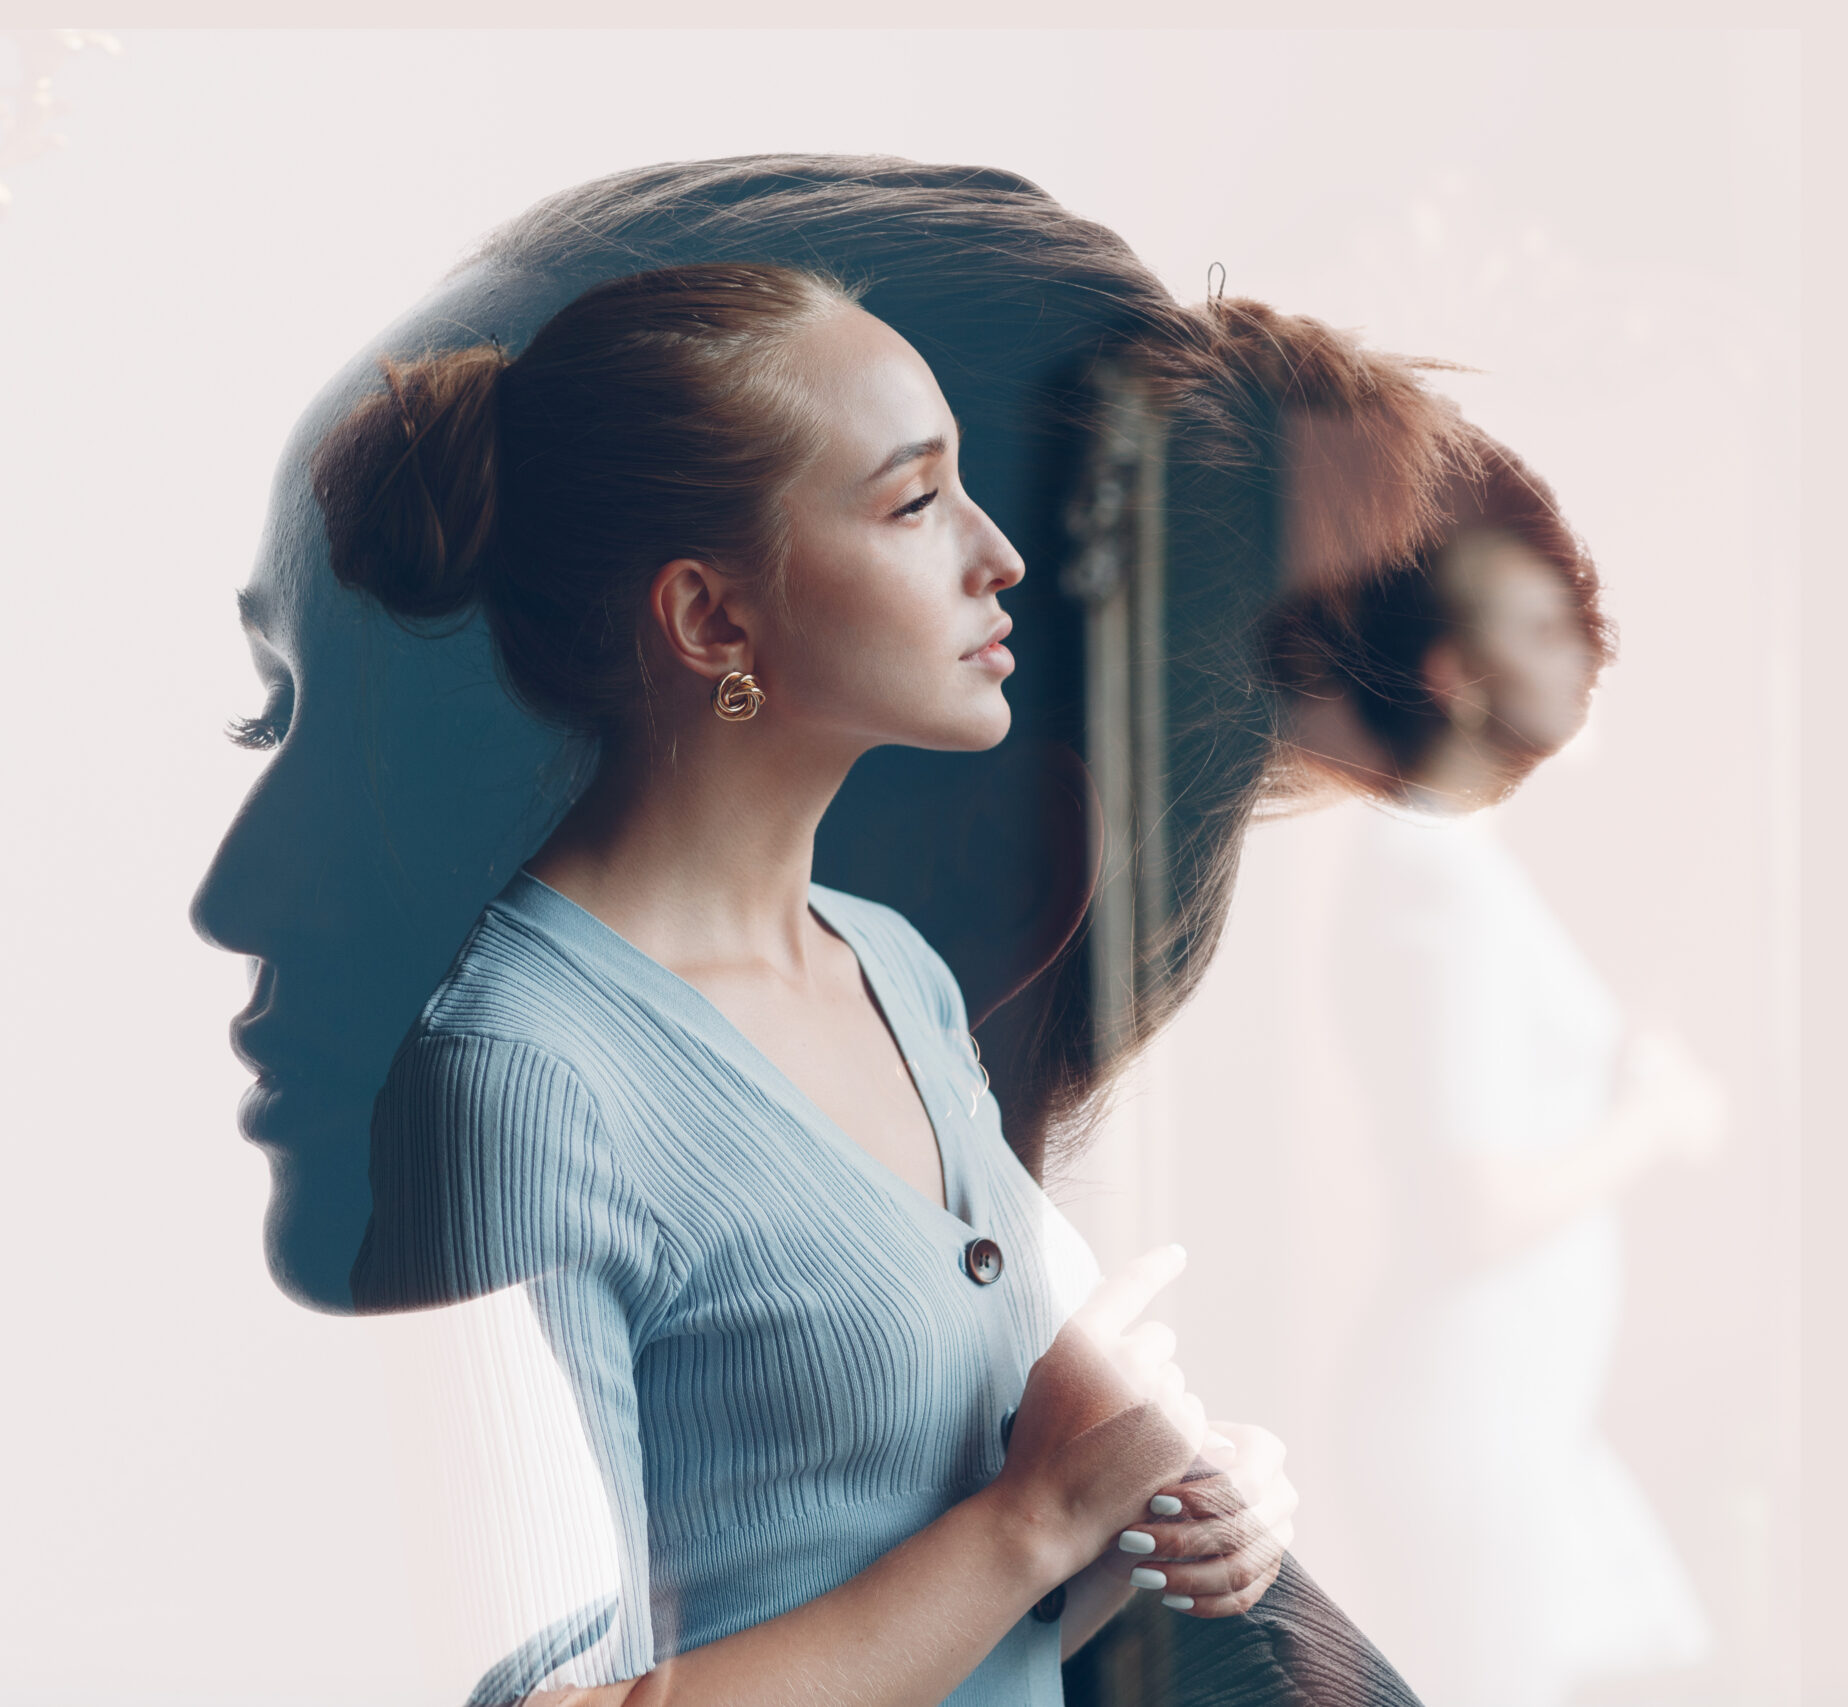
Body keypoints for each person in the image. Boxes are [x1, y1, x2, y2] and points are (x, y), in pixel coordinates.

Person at [191, 156, 1494, 1705]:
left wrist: (1163, 1515)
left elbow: (915, 1579)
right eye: (912, 496)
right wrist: (1037, 1518)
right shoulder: (520, 1081)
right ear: (713, 622)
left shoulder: (894, 973)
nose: (994, 553)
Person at [1272, 461, 1723, 1707]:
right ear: (1455, 680)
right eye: (1538, 630)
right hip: (1475, 1420)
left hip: (1517, 1414)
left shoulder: (1459, 868)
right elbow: (1469, 1209)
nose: (1580, 652)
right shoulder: (1432, 886)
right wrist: (1649, 1121)